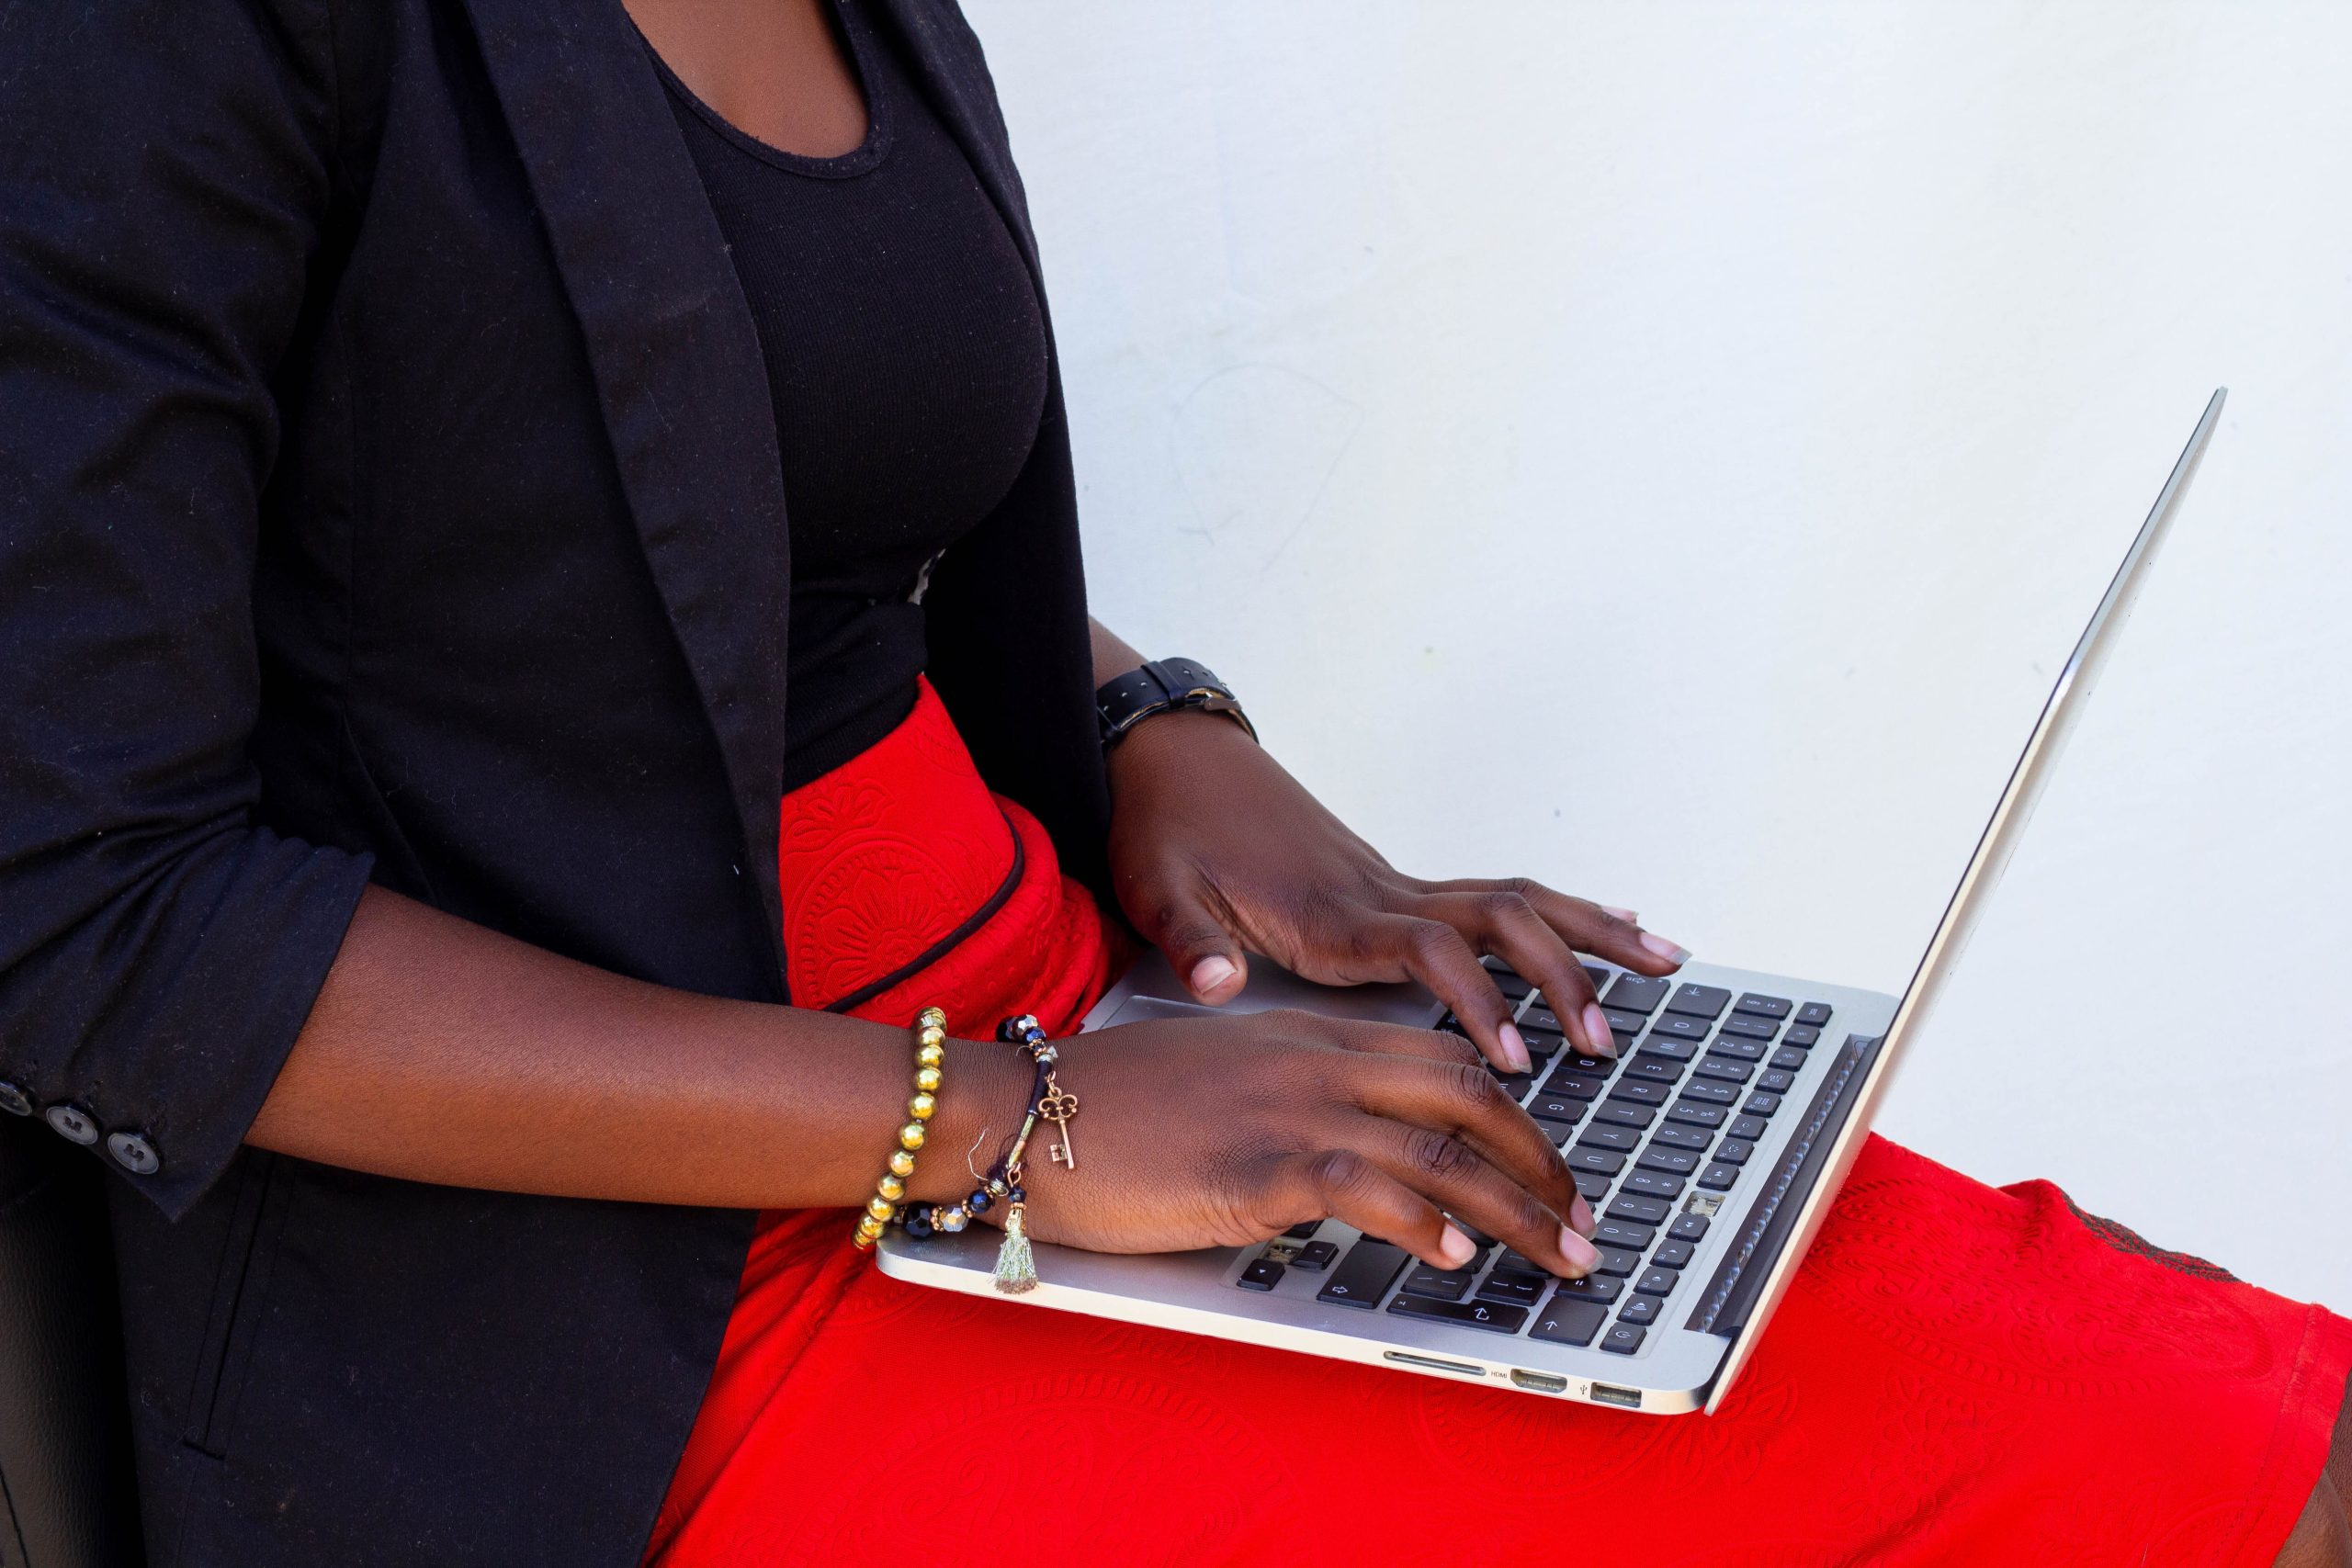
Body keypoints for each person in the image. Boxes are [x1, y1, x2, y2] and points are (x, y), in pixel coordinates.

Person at [0, 0, 2342, 1562]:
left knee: (2140, 1363)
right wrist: (997, 1126)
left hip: (1079, 1044)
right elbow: (86, 913)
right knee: (2081, 1454)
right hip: (629, 1307)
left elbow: (734, 527)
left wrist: (1158, 732)